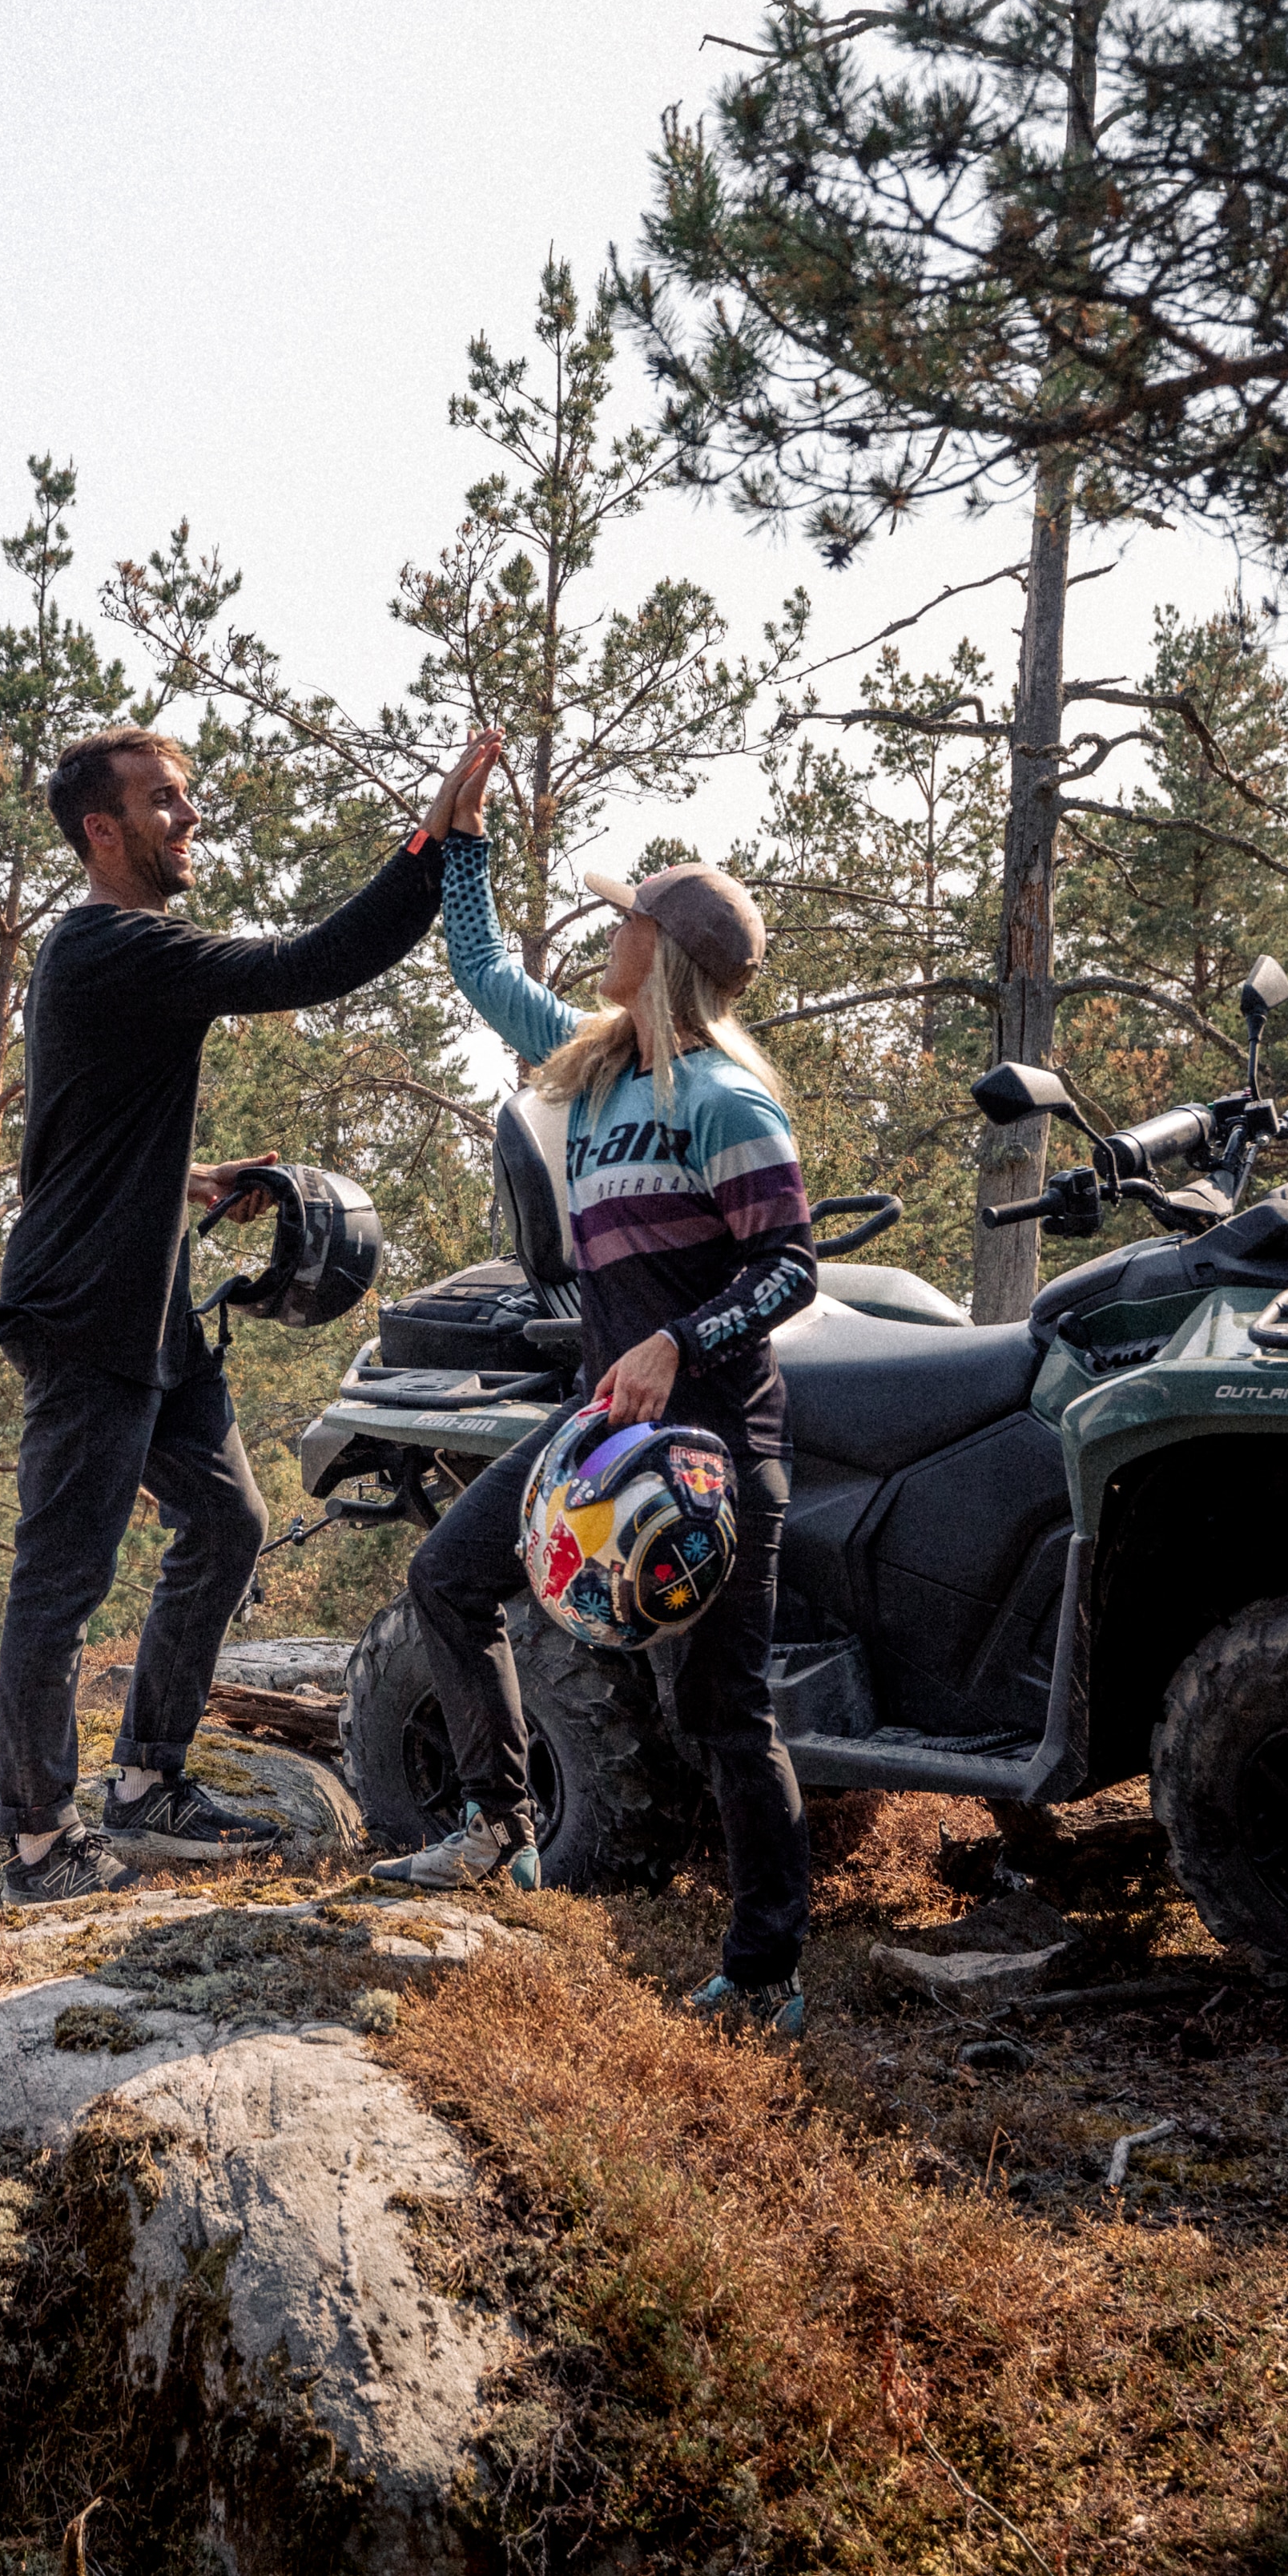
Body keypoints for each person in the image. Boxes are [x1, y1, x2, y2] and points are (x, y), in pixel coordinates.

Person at [0, 723, 508, 1906]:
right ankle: (39, 1844)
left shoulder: (115, 957)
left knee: (228, 1521)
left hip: (149, 1301)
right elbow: (306, 963)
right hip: (85, 1311)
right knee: (60, 1581)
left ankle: (146, 1783)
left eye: (187, 797)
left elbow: (81, 1121)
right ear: (102, 831)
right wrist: (430, 846)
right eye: (164, 801)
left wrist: (186, 1179)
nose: (189, 818)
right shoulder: (113, 944)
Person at [369, 783, 823, 2034]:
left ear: (663, 956)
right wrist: (456, 840)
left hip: (715, 1453)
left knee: (723, 1714)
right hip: (600, 1434)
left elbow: (791, 1268)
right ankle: (499, 1824)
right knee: (450, 1580)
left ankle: (767, 1973)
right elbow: (474, 964)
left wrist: (680, 1340)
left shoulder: (727, 1100)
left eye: (628, 922)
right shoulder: (597, 1061)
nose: (607, 934)